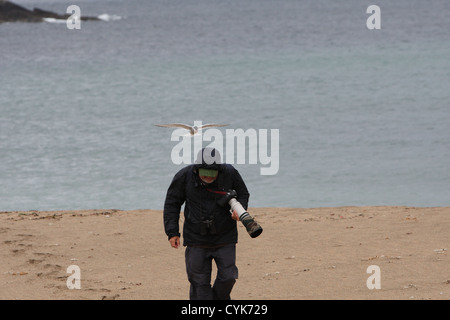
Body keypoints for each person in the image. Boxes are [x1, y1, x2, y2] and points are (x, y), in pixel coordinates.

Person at [163, 147, 250, 300]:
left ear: (219, 170)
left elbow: (243, 193)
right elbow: (172, 203)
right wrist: (172, 232)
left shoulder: (229, 172)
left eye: (212, 174)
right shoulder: (184, 176)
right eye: (205, 173)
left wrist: (240, 208)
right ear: (196, 169)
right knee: (199, 283)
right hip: (196, 238)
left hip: (225, 236)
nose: (208, 177)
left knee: (228, 277)